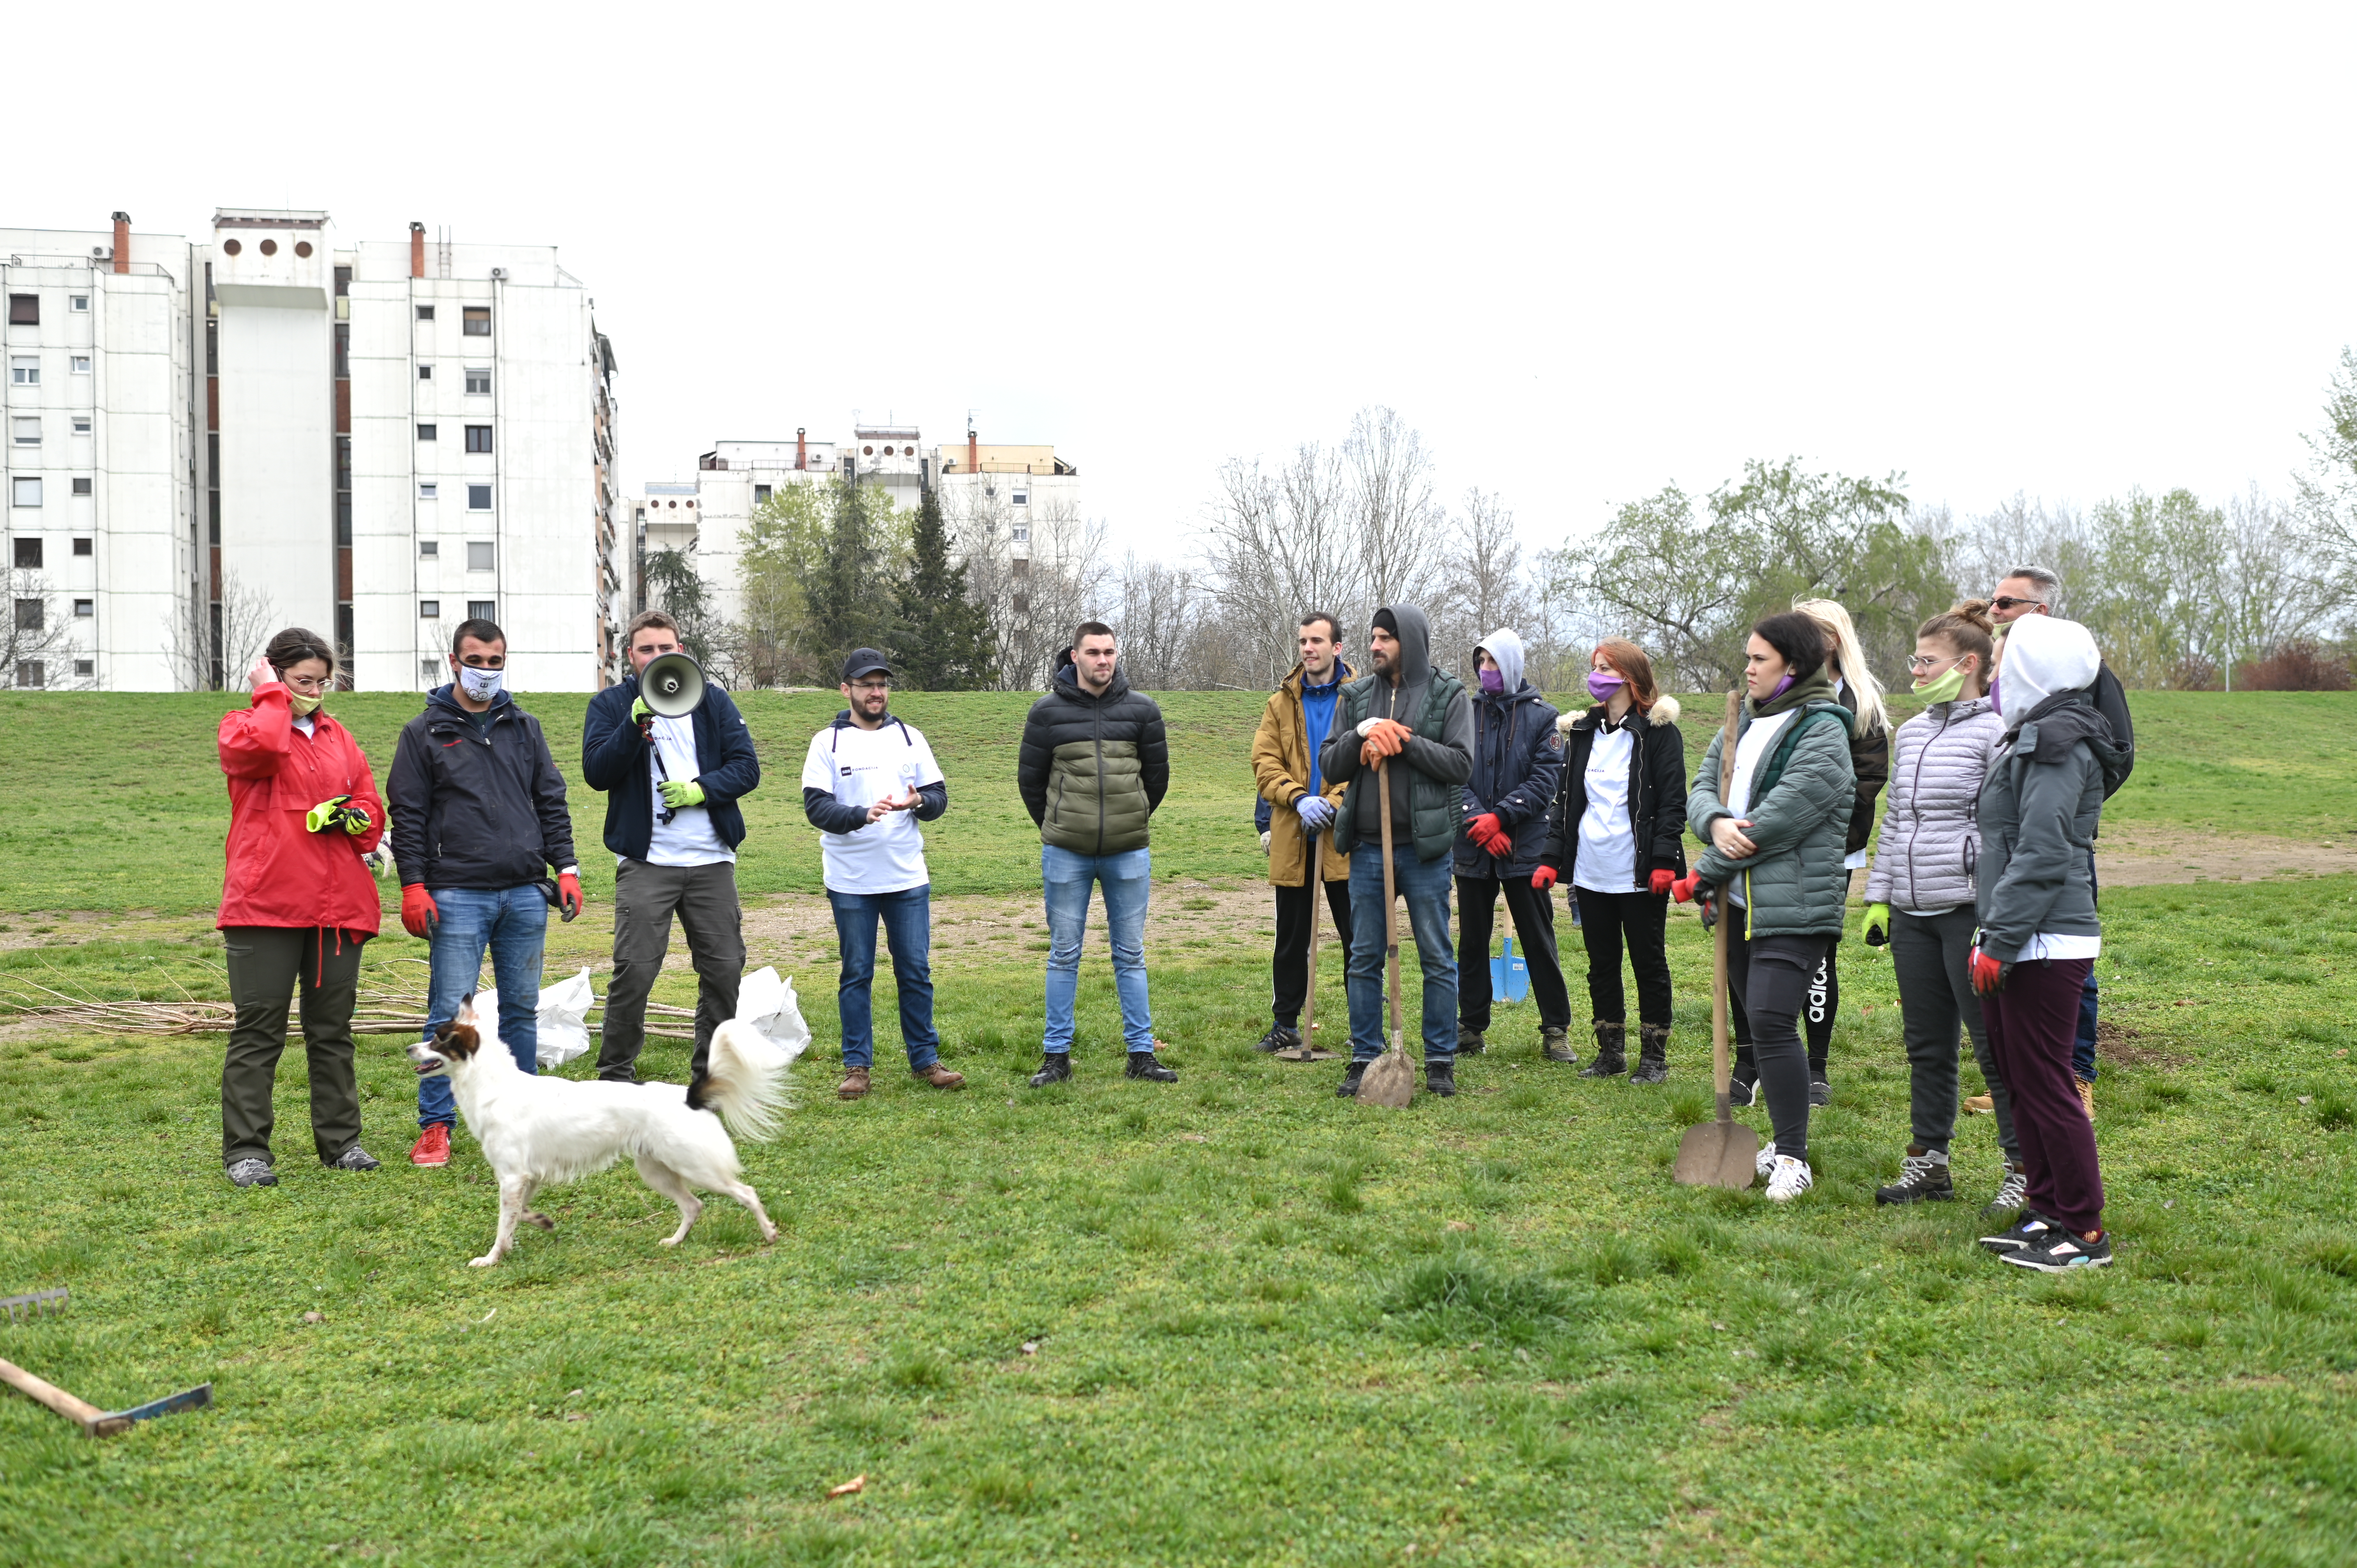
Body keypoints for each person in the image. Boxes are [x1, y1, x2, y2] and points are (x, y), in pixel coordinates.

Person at [387, 617, 582, 1168]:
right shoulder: (423, 733)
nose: (487, 671)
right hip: (455, 894)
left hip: (524, 892)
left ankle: (526, 1119)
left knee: (522, 1008)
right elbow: (409, 814)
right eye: (477, 661)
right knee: (448, 1013)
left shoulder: (525, 727)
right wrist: (414, 885)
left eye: (496, 662)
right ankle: (436, 1126)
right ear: (455, 661)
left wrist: (566, 867)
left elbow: (551, 799)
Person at [1675, 611, 1857, 1201]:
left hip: (1794, 905)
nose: (1747, 668)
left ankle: (1794, 1159)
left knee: (1774, 1021)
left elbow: (1781, 820)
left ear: (1794, 666)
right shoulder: (1740, 723)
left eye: (1760, 660)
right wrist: (1715, 821)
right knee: (1758, 1022)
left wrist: (1708, 867)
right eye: (1748, 658)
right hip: (1739, 906)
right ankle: (1779, 1141)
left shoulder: (1824, 729)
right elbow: (1702, 788)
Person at [1971, 612, 2132, 1270]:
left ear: (2031, 668)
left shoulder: (2057, 742)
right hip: (2016, 931)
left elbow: (2041, 852)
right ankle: (2044, 1208)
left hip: (2043, 937)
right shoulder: (2031, 736)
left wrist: (1999, 940)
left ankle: (2084, 1230)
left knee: (2045, 1083)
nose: (1993, 668)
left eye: (2003, 656)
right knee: (2019, 1079)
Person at [1861, 602, 2022, 1210]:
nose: (1917, 671)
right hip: (1911, 912)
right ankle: (1930, 1164)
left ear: (1970, 664)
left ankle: (2022, 1169)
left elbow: (2001, 828)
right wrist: (1879, 899)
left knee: (1993, 1047)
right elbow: (1898, 820)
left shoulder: (1996, 731)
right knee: (1926, 1045)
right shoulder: (1915, 731)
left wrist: (1991, 907)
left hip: (1967, 911)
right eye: (1916, 660)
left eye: (1927, 661)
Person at [214, 629, 387, 1187]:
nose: (314, 691)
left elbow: (369, 801)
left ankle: (342, 1144)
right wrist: (267, 697)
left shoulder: (340, 736)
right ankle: (247, 1152)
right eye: (302, 681)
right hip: (265, 903)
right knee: (259, 1030)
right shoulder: (244, 726)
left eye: (322, 681)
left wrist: (357, 818)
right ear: (274, 675)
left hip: (335, 905)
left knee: (332, 1031)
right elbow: (264, 750)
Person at [581, 611, 761, 1093]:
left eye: (667, 648)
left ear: (681, 651)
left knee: (724, 969)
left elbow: (747, 768)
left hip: (710, 861)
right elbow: (597, 772)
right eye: (647, 650)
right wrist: (631, 724)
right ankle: (616, 1076)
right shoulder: (609, 705)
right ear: (630, 656)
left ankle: (711, 1077)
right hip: (647, 863)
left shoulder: (713, 702)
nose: (658, 657)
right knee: (635, 970)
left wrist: (702, 790)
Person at [1989, 565, 2135, 1119]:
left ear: (2041, 612)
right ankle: (2020, 1078)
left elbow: (2116, 752)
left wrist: (2074, 809)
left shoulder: (2088, 676)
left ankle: (2077, 1075)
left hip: (2060, 841)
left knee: (2071, 957)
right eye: (1994, 601)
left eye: (2007, 604)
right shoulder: (2001, 668)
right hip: (2007, 840)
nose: (1994, 611)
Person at [1318, 604, 1474, 1097]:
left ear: (1409, 640)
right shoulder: (1356, 695)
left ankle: (1441, 1058)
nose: (1375, 645)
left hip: (1424, 851)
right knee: (1364, 955)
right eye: (1373, 636)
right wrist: (1362, 737)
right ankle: (1365, 1054)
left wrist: (1404, 743)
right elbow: (1329, 761)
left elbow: (1460, 764)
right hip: (1367, 849)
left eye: (1386, 637)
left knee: (1436, 954)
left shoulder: (1449, 695)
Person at [799, 649, 964, 1101]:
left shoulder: (911, 737)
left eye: (883, 684)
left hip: (907, 878)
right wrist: (859, 814)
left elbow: (938, 797)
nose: (877, 692)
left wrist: (921, 804)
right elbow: (817, 807)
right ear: (846, 689)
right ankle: (857, 1067)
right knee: (856, 973)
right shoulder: (827, 743)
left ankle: (926, 1060)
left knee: (915, 970)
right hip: (851, 881)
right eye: (867, 684)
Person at [1016, 622, 1174, 1086]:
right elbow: (1031, 783)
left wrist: (1135, 816)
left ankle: (1141, 1054)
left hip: (1129, 852)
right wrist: (1061, 824)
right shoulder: (1045, 713)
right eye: (1093, 652)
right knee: (1064, 954)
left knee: (1131, 954)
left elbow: (1157, 779)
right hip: (1066, 852)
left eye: (1109, 652)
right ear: (1075, 656)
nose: (1103, 660)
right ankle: (1056, 1057)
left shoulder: (1144, 710)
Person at [1539, 639, 1686, 1081]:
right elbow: (1566, 802)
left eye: (1606, 668)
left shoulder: (1659, 733)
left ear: (1630, 678)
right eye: (1595, 667)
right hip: (1591, 870)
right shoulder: (1583, 732)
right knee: (1601, 964)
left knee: (1648, 961)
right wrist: (1552, 857)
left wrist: (1663, 859)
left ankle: (1654, 1057)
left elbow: (1673, 804)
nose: (1596, 674)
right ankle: (1610, 1053)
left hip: (1639, 872)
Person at [1452, 628, 1571, 1059]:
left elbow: (1544, 780)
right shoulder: (1464, 713)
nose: (1486, 671)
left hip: (1525, 847)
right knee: (1472, 941)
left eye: (1494, 664)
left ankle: (1556, 1029)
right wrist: (1477, 820)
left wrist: (1501, 817)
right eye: (1481, 663)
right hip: (1473, 847)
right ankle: (1471, 1027)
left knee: (1539, 938)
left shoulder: (1544, 719)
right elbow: (1455, 773)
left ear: (1512, 666)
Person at [1249, 613, 1356, 1053]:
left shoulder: (1359, 700)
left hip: (1346, 838)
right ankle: (1286, 1024)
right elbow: (1264, 763)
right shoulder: (1279, 704)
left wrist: (1332, 805)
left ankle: (1363, 1025)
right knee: (1292, 937)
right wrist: (1298, 798)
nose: (1308, 648)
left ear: (1337, 648)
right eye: (1303, 641)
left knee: (1358, 937)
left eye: (1317, 641)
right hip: (1295, 835)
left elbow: (1367, 764)